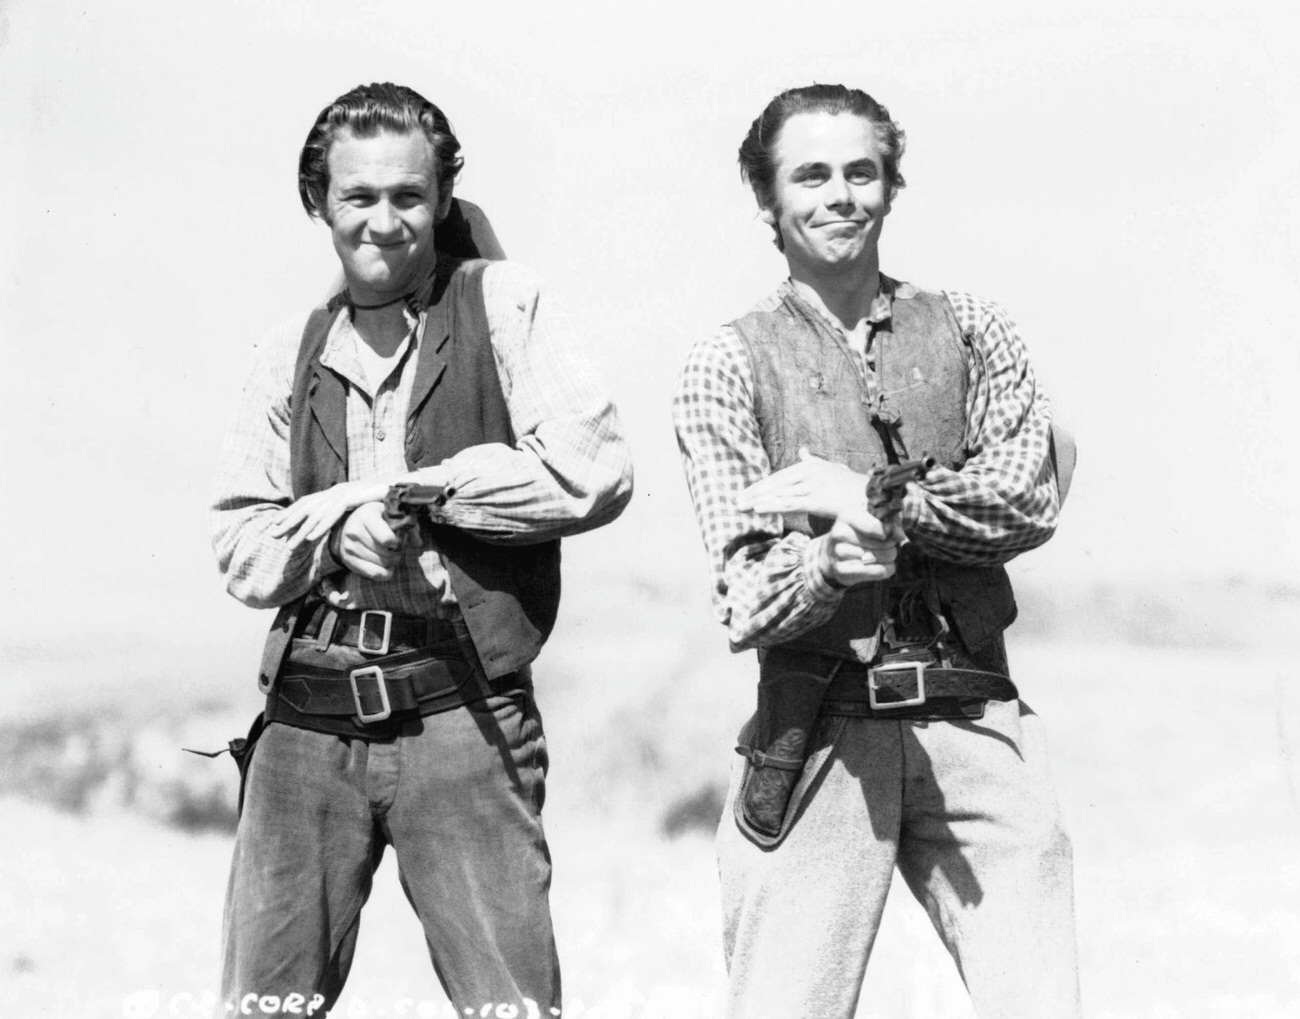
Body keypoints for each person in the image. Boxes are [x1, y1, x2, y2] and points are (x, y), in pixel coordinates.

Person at [210, 82, 633, 1018]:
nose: (385, 220)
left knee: (509, 1007)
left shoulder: (507, 305)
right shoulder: (288, 349)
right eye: (359, 196)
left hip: (463, 712)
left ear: (443, 198)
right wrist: (334, 531)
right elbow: (239, 543)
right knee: (262, 1008)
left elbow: (596, 470)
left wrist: (421, 491)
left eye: (409, 195)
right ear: (318, 201)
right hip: (307, 719)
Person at [672, 84, 1081, 1018]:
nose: (840, 195)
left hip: (976, 716)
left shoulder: (973, 326)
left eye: (862, 172)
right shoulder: (724, 365)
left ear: (892, 187)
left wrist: (867, 501)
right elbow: (746, 595)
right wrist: (822, 566)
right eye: (810, 175)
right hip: (818, 730)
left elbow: (1025, 499)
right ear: (766, 199)